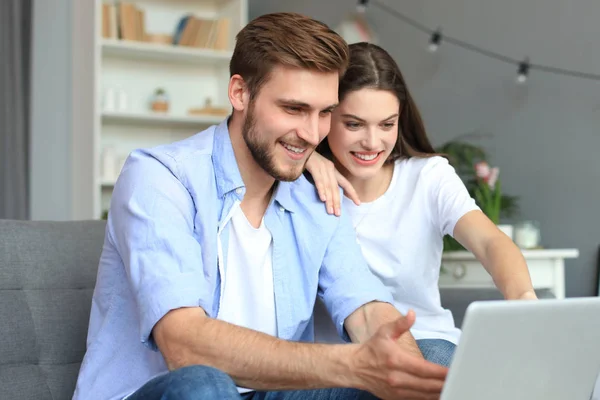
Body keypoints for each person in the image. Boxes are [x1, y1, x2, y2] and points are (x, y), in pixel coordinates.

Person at [72, 13, 449, 400]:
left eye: (324, 113)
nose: (311, 134)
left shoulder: (315, 195)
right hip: (174, 390)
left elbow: (367, 309)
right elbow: (184, 345)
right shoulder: (160, 179)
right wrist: (353, 365)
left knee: (434, 356)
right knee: (205, 384)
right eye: (294, 109)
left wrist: (402, 370)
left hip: (270, 393)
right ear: (239, 93)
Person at [306, 42, 537, 367]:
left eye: (387, 124)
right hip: (340, 361)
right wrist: (306, 158)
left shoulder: (428, 177)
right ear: (326, 117)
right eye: (354, 124)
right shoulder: (301, 186)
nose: (372, 143)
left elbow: (488, 242)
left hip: (427, 342)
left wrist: (525, 301)